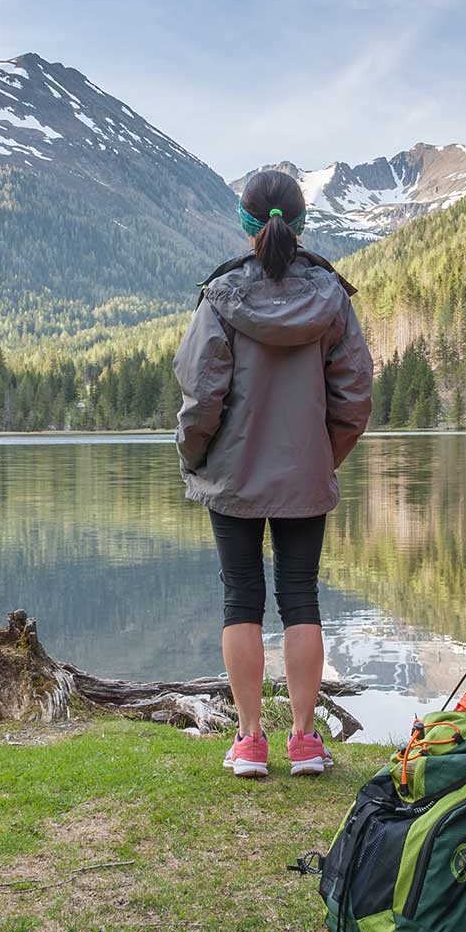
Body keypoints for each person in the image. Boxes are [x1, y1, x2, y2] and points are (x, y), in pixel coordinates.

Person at [172, 169, 374, 778]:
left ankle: (250, 741)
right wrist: (321, 454)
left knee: (241, 599)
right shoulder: (331, 297)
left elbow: (202, 394)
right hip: (303, 476)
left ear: (246, 222)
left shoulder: (222, 296)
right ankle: (307, 742)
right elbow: (355, 397)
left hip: (232, 475)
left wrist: (193, 453)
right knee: (301, 597)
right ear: (300, 221)